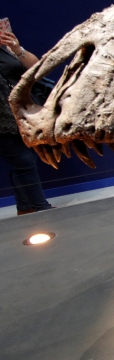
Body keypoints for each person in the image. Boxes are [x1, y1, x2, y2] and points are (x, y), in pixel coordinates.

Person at [0, 20, 53, 215]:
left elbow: (36, 67)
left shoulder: (7, 50)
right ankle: (41, 209)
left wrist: (17, 48)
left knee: (24, 161)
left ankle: (25, 207)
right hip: (2, 121)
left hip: (22, 114)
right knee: (23, 162)